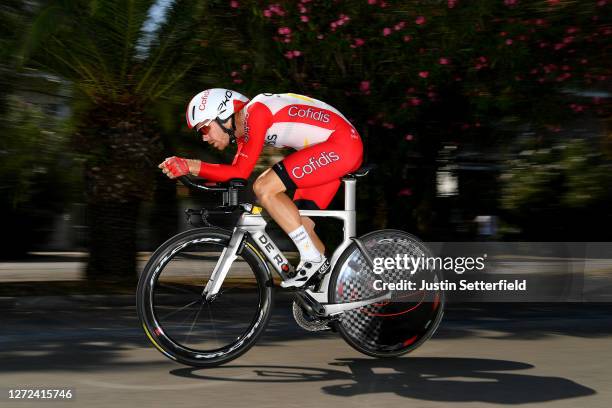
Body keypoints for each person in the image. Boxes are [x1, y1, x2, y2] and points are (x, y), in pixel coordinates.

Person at [159, 89, 363, 288]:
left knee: (264, 187)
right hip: (330, 150)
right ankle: (334, 295)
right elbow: (233, 174)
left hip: (341, 146)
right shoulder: (244, 130)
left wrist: (190, 165)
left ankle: (313, 260)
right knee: (298, 224)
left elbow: (240, 173)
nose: (204, 137)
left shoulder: (256, 112)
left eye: (204, 128)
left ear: (222, 115)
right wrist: (193, 172)